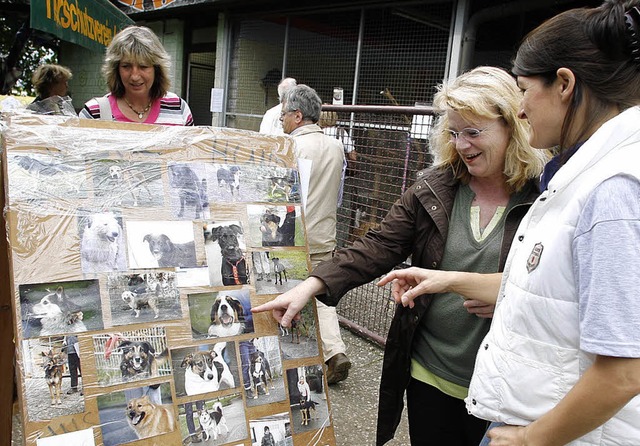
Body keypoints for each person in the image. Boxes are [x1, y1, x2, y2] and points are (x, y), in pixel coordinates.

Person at [379, 2, 640, 445]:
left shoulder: (612, 190)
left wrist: (530, 438)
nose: (521, 109)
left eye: (523, 89)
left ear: (564, 84)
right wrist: (445, 280)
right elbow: (550, 292)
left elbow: (624, 370)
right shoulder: (579, 175)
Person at [253, 66, 549, 445]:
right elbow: (378, 245)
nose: (462, 145)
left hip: (506, 385)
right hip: (431, 372)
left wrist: (509, 297)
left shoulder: (544, 195)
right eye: (455, 132)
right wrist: (312, 284)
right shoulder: (436, 188)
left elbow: (557, 285)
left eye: (474, 132)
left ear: (513, 126)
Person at [280, 84, 352, 385]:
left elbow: (283, 195)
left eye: (284, 114)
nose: (281, 120)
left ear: (297, 116)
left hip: (294, 236)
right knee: (320, 295)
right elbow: (338, 195)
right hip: (325, 233)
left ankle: (292, 357)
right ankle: (334, 351)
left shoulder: (290, 147)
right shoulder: (336, 146)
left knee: (285, 293)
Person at [79, 25, 193, 126]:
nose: (134, 76)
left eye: (143, 66)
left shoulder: (178, 108)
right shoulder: (94, 113)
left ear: (157, 69)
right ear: (116, 69)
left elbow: (194, 150)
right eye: (126, 66)